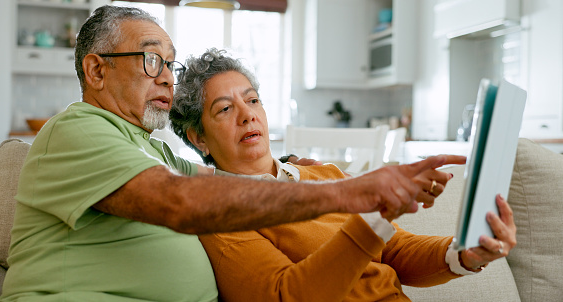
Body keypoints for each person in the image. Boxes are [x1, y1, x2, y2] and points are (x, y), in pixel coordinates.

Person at [0, 6, 462, 301]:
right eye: (151, 59)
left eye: (170, 63)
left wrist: (306, 174)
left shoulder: (151, 151)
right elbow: (183, 202)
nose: (166, 77)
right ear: (96, 70)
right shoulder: (77, 129)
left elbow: (229, 183)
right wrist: (354, 194)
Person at [169, 48, 517, 301]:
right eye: (225, 108)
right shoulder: (221, 215)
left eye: (253, 100)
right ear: (199, 138)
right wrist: (375, 218)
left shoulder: (325, 175)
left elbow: (395, 249)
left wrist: (463, 255)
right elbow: (285, 295)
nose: (247, 115)